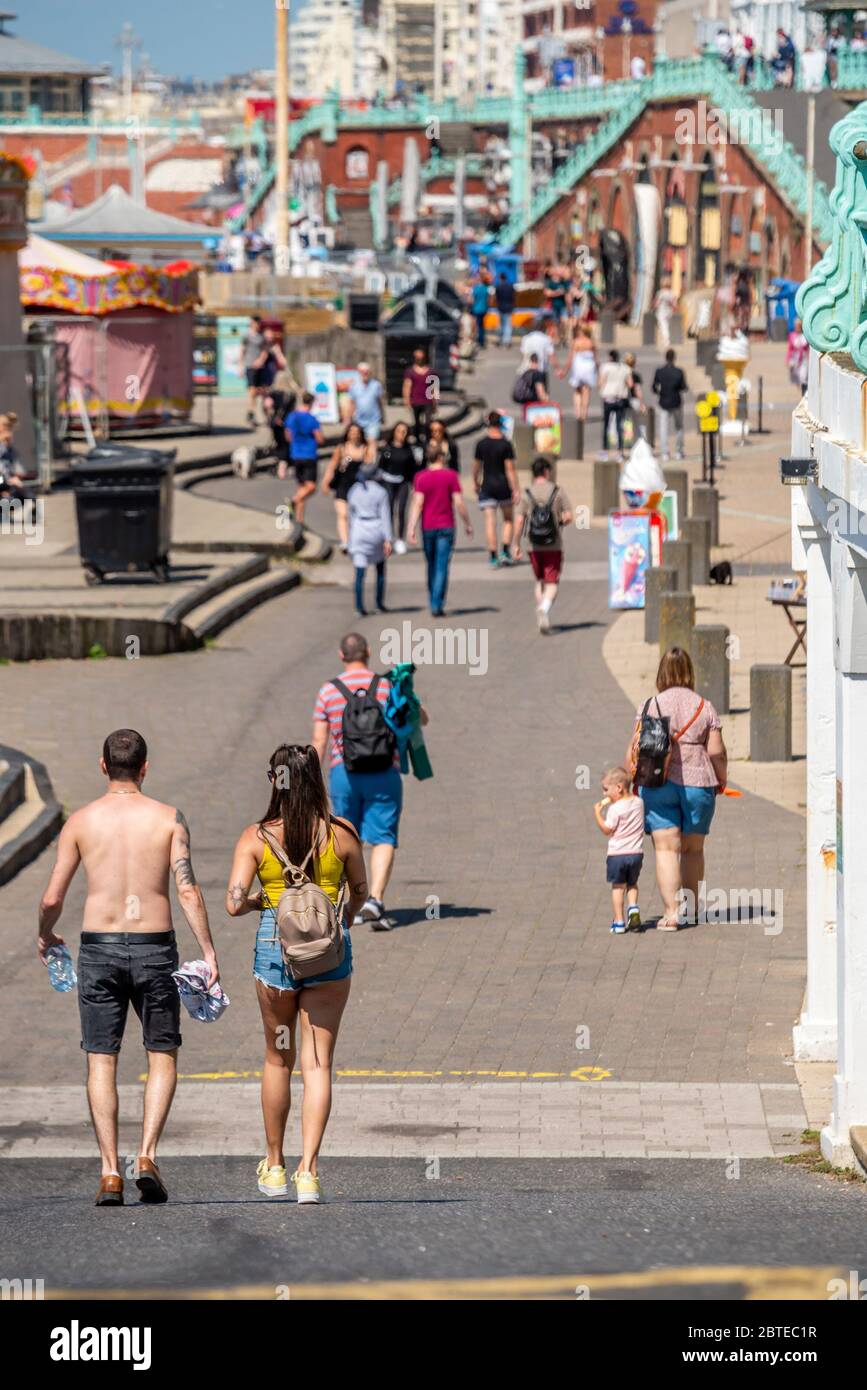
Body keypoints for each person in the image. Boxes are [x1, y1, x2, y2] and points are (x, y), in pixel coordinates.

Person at [37, 729, 219, 1206]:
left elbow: (53, 896)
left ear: (102, 766)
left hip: (98, 948)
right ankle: (147, 1156)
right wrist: (209, 951)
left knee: (101, 1058)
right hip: (155, 947)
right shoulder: (168, 819)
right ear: (145, 768)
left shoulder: (80, 821)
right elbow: (186, 889)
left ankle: (109, 1172)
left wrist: (45, 932)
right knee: (161, 1052)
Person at [226, 744, 368, 1204]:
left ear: (276, 781)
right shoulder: (341, 834)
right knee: (319, 1064)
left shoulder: (256, 837)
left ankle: (275, 1165)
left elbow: (232, 901)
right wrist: (340, 920)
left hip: (274, 951)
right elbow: (362, 893)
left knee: (277, 1059)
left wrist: (258, 903)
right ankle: (310, 1172)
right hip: (328, 956)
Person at [313, 633, 425, 929]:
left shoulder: (329, 691)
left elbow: (319, 740)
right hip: (384, 772)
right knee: (384, 836)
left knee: (345, 838)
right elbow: (419, 719)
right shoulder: (387, 686)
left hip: (344, 774)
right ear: (369, 653)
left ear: (341, 655)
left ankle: (351, 901)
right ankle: (375, 899)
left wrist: (311, 780)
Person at [626, 647, 728, 931]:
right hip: (698, 784)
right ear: (689, 673)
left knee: (666, 849)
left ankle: (671, 914)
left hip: (658, 784)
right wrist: (722, 778)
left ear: (661, 674)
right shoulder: (704, 706)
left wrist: (633, 782)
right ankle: (693, 909)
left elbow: (632, 753)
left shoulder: (649, 706)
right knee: (693, 850)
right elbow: (716, 752)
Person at [407, 432, 473, 615]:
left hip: (428, 526)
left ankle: (434, 597)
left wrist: (411, 527)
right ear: (442, 457)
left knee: (431, 564)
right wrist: (467, 523)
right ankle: (437, 602)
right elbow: (459, 502)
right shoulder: (451, 476)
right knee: (442, 564)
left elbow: (418, 503)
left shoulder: (420, 477)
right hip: (446, 526)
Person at [515, 456, 573, 633]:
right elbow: (569, 516)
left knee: (540, 580)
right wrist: (559, 520)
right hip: (553, 544)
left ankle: (542, 610)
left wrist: (515, 544)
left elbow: (519, 520)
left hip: (533, 545)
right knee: (552, 582)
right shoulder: (557, 491)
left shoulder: (527, 493)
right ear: (547, 471)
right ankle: (544, 608)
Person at [593, 767, 645, 934]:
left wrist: (597, 814)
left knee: (618, 887)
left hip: (617, 855)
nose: (604, 794)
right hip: (636, 853)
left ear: (619, 788)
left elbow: (608, 830)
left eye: (606, 789)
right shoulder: (639, 803)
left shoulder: (614, 809)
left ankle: (619, 921)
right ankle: (633, 909)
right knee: (632, 884)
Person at [472, 410, 520, 567]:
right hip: (503, 486)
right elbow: (510, 469)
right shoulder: (505, 444)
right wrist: (516, 489)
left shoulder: (481, 444)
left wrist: (475, 482)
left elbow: (476, 467)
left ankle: (493, 556)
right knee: (508, 519)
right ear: (500, 424)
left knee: (490, 522)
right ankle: (505, 551)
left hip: (487, 486)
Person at [347, 462, 392, 615]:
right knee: (379, 569)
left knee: (360, 572)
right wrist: (388, 539)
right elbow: (385, 517)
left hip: (359, 530)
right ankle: (379, 602)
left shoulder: (354, 490)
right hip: (376, 530)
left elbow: (350, 515)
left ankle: (359, 606)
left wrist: (349, 539)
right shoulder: (381, 492)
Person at [321, 423, 373, 553]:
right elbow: (332, 466)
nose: (354, 434)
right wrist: (326, 482)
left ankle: (355, 539)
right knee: (342, 514)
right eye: (351, 432)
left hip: (358, 487)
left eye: (357, 432)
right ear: (347, 434)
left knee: (354, 516)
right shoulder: (342, 448)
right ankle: (345, 542)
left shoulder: (365, 449)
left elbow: (370, 467)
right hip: (342, 485)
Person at [377, 420, 418, 554]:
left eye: (404, 432)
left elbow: (413, 470)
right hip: (388, 482)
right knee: (387, 510)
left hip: (402, 482)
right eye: (399, 431)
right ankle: (387, 538)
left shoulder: (408, 451)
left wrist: (414, 485)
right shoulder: (387, 449)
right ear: (394, 432)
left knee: (401, 510)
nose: (401, 434)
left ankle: (400, 539)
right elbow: (380, 467)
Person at [284, 392, 324, 525]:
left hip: (296, 454)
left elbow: (288, 436)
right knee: (311, 487)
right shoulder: (311, 419)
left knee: (301, 487)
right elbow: (319, 438)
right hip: (309, 455)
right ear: (312, 403)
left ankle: (300, 520)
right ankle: (293, 501)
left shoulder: (292, 416)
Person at [652, 348, 688, 462]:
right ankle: (679, 451)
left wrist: (660, 392)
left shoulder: (659, 371)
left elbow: (654, 387)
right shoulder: (679, 371)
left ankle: (665, 453)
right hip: (676, 401)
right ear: (674, 358)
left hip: (663, 401)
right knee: (679, 427)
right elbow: (683, 387)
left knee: (663, 428)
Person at [598, 349, 632, 459]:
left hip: (608, 398)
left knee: (606, 426)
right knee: (619, 426)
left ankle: (604, 451)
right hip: (620, 398)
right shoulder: (625, 368)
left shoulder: (605, 367)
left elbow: (601, 382)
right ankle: (620, 452)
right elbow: (630, 383)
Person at [402, 347, 437, 444]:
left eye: (421, 358)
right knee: (416, 423)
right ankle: (417, 441)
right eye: (417, 358)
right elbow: (406, 386)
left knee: (428, 422)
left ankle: (428, 439)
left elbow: (434, 387)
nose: (419, 360)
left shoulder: (431, 371)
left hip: (427, 401)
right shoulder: (410, 371)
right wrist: (407, 400)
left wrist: (435, 402)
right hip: (415, 401)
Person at [345, 361, 384, 443]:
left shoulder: (376, 385)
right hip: (359, 421)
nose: (365, 374)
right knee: (360, 443)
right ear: (359, 372)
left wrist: (383, 416)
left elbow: (380, 402)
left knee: (372, 441)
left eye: (367, 372)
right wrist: (348, 418)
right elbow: (352, 404)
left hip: (374, 420)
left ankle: (372, 456)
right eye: (362, 372)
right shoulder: (354, 386)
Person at [568, 321, 598, 422]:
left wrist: (565, 369)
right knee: (586, 391)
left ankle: (577, 413)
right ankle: (584, 413)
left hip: (579, 366)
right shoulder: (591, 343)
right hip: (589, 367)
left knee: (577, 391)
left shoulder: (576, 342)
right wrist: (598, 369)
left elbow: (571, 357)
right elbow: (595, 358)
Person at [520, 318, 564, 387]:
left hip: (527, 370)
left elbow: (524, 355)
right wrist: (558, 369)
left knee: (528, 393)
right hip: (541, 370)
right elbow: (552, 356)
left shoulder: (525, 338)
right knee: (542, 394)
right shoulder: (546, 339)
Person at [242, 315, 266, 425]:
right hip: (249, 365)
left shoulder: (261, 337)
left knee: (258, 391)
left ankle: (250, 411)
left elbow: (264, 351)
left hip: (259, 367)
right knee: (252, 390)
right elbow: (242, 350)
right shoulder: (246, 335)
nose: (257, 325)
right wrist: (240, 365)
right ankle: (252, 413)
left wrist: (260, 361)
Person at [653, 277, 677, 349]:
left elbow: (656, 303)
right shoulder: (672, 293)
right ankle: (666, 338)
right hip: (669, 312)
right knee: (667, 326)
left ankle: (666, 339)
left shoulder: (660, 293)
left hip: (661, 312)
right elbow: (674, 304)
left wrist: (654, 307)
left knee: (663, 326)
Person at [787, 318, 809, 393]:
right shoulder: (792, 335)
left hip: (804, 359)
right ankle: (801, 388)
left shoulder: (805, 336)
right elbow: (790, 348)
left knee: (803, 376)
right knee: (796, 376)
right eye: (796, 326)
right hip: (795, 358)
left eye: (798, 326)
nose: (797, 327)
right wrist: (788, 359)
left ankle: (804, 391)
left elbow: (808, 348)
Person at [495, 271, 516, 347]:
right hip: (509, 307)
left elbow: (497, 298)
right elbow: (513, 297)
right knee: (508, 325)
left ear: (500, 278)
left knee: (501, 324)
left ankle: (500, 339)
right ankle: (507, 340)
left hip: (501, 307)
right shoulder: (510, 286)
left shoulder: (498, 286)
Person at [471, 275, 491, 348]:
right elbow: (488, 299)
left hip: (476, 309)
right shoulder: (486, 288)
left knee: (478, 325)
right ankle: (482, 340)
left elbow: (472, 300)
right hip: (484, 309)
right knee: (482, 325)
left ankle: (479, 340)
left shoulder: (475, 289)